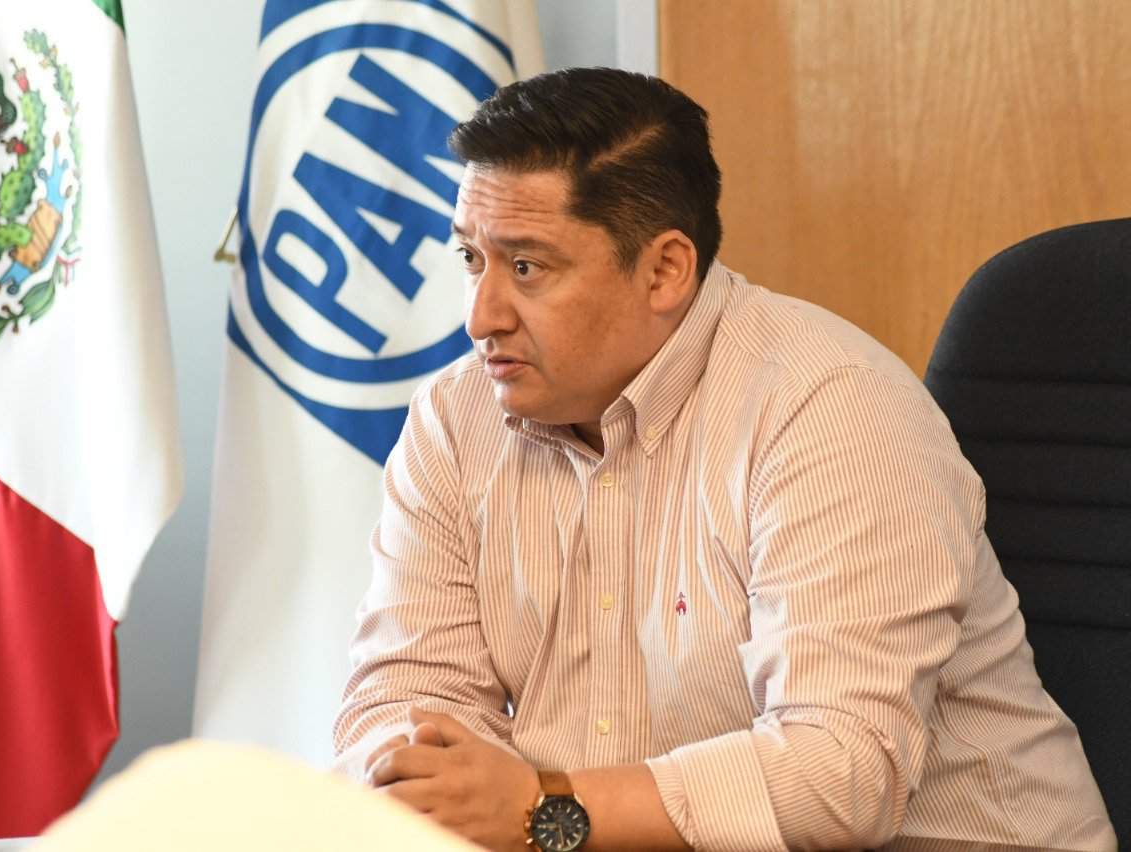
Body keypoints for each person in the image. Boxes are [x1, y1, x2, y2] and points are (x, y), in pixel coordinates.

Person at [332, 67, 1115, 852]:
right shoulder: (456, 415)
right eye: (472, 260)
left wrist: (540, 810)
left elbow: (841, 772)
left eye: (527, 268)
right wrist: (422, 782)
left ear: (665, 271)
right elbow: (405, 693)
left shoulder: (829, 407)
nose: (480, 318)